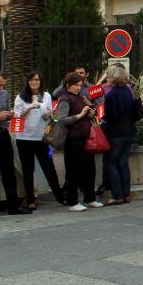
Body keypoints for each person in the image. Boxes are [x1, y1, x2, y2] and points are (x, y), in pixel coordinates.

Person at [12, 71, 62, 210]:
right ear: (27, 82)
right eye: (32, 80)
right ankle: (30, 200)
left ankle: (59, 196)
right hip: (24, 138)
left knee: (49, 167)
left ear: (41, 82)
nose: (34, 82)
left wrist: (41, 106)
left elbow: (48, 117)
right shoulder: (20, 97)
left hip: (41, 139)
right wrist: (29, 107)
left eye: (37, 80)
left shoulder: (46, 96)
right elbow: (17, 118)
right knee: (28, 171)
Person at [56, 71, 102, 213]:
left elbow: (89, 114)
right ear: (68, 85)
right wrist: (80, 115)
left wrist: (90, 113)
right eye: (76, 85)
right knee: (73, 172)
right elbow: (62, 119)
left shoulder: (81, 97)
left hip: (85, 137)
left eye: (80, 85)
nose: (78, 88)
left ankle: (90, 198)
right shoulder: (64, 99)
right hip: (72, 138)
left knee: (89, 169)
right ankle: (73, 201)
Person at [101, 65, 137, 206]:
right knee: (123, 163)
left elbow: (107, 116)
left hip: (114, 133)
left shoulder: (110, 95)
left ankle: (117, 195)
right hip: (128, 132)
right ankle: (126, 194)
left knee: (111, 163)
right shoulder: (129, 92)